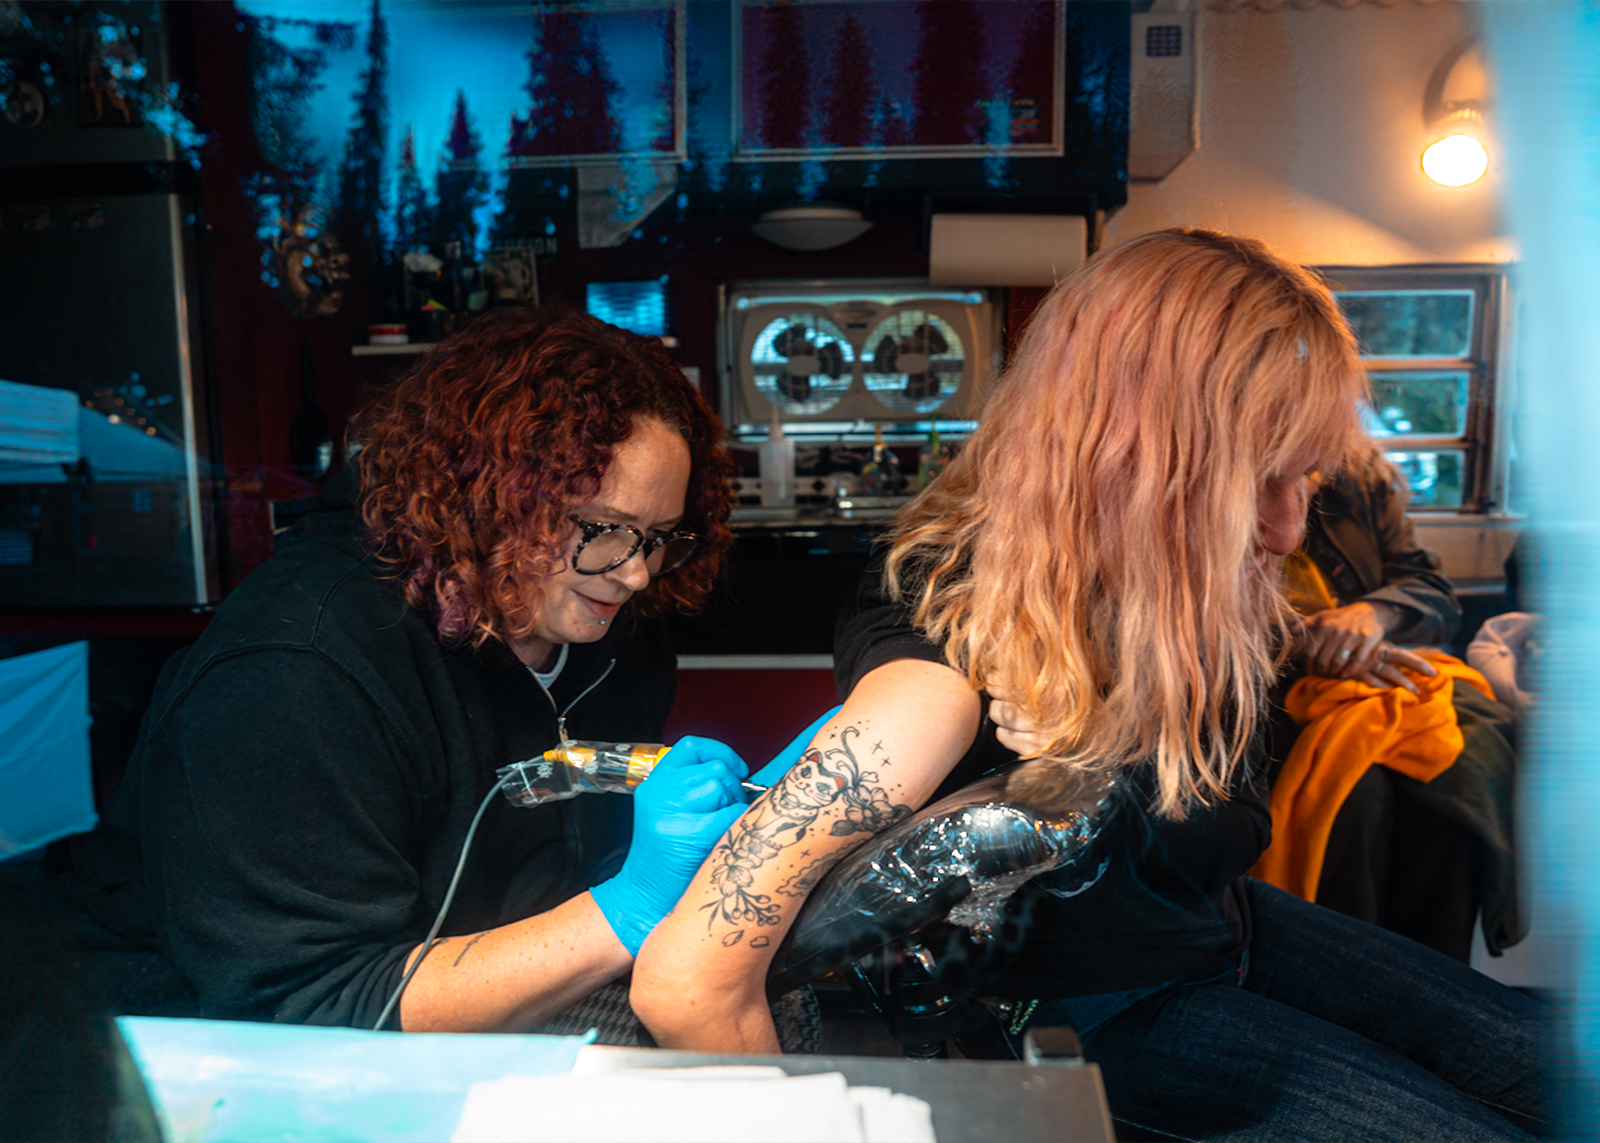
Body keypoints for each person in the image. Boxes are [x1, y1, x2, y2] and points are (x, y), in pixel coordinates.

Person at [632, 230, 1546, 1139]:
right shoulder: (951, 623)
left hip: (1220, 928)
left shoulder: (1190, 593)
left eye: (1305, 476)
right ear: (1142, 464)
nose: (1287, 528)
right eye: (1259, 481)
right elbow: (690, 981)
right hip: (1086, 1008)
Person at [53, 305, 766, 1037]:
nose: (638, 574)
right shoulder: (298, 669)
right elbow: (317, 1005)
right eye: (606, 529)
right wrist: (629, 908)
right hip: (209, 1048)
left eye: (655, 538)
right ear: (491, 495)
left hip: (481, 980)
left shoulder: (608, 629)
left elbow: (565, 816)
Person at [1264, 443, 1522, 963]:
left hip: (1375, 673)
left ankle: (1439, 986)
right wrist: (1299, 644)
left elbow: (1430, 589)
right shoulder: (1207, 483)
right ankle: (1336, 984)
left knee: (1454, 788)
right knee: (1356, 800)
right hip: (1264, 687)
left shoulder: (1360, 478)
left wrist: (1374, 615)